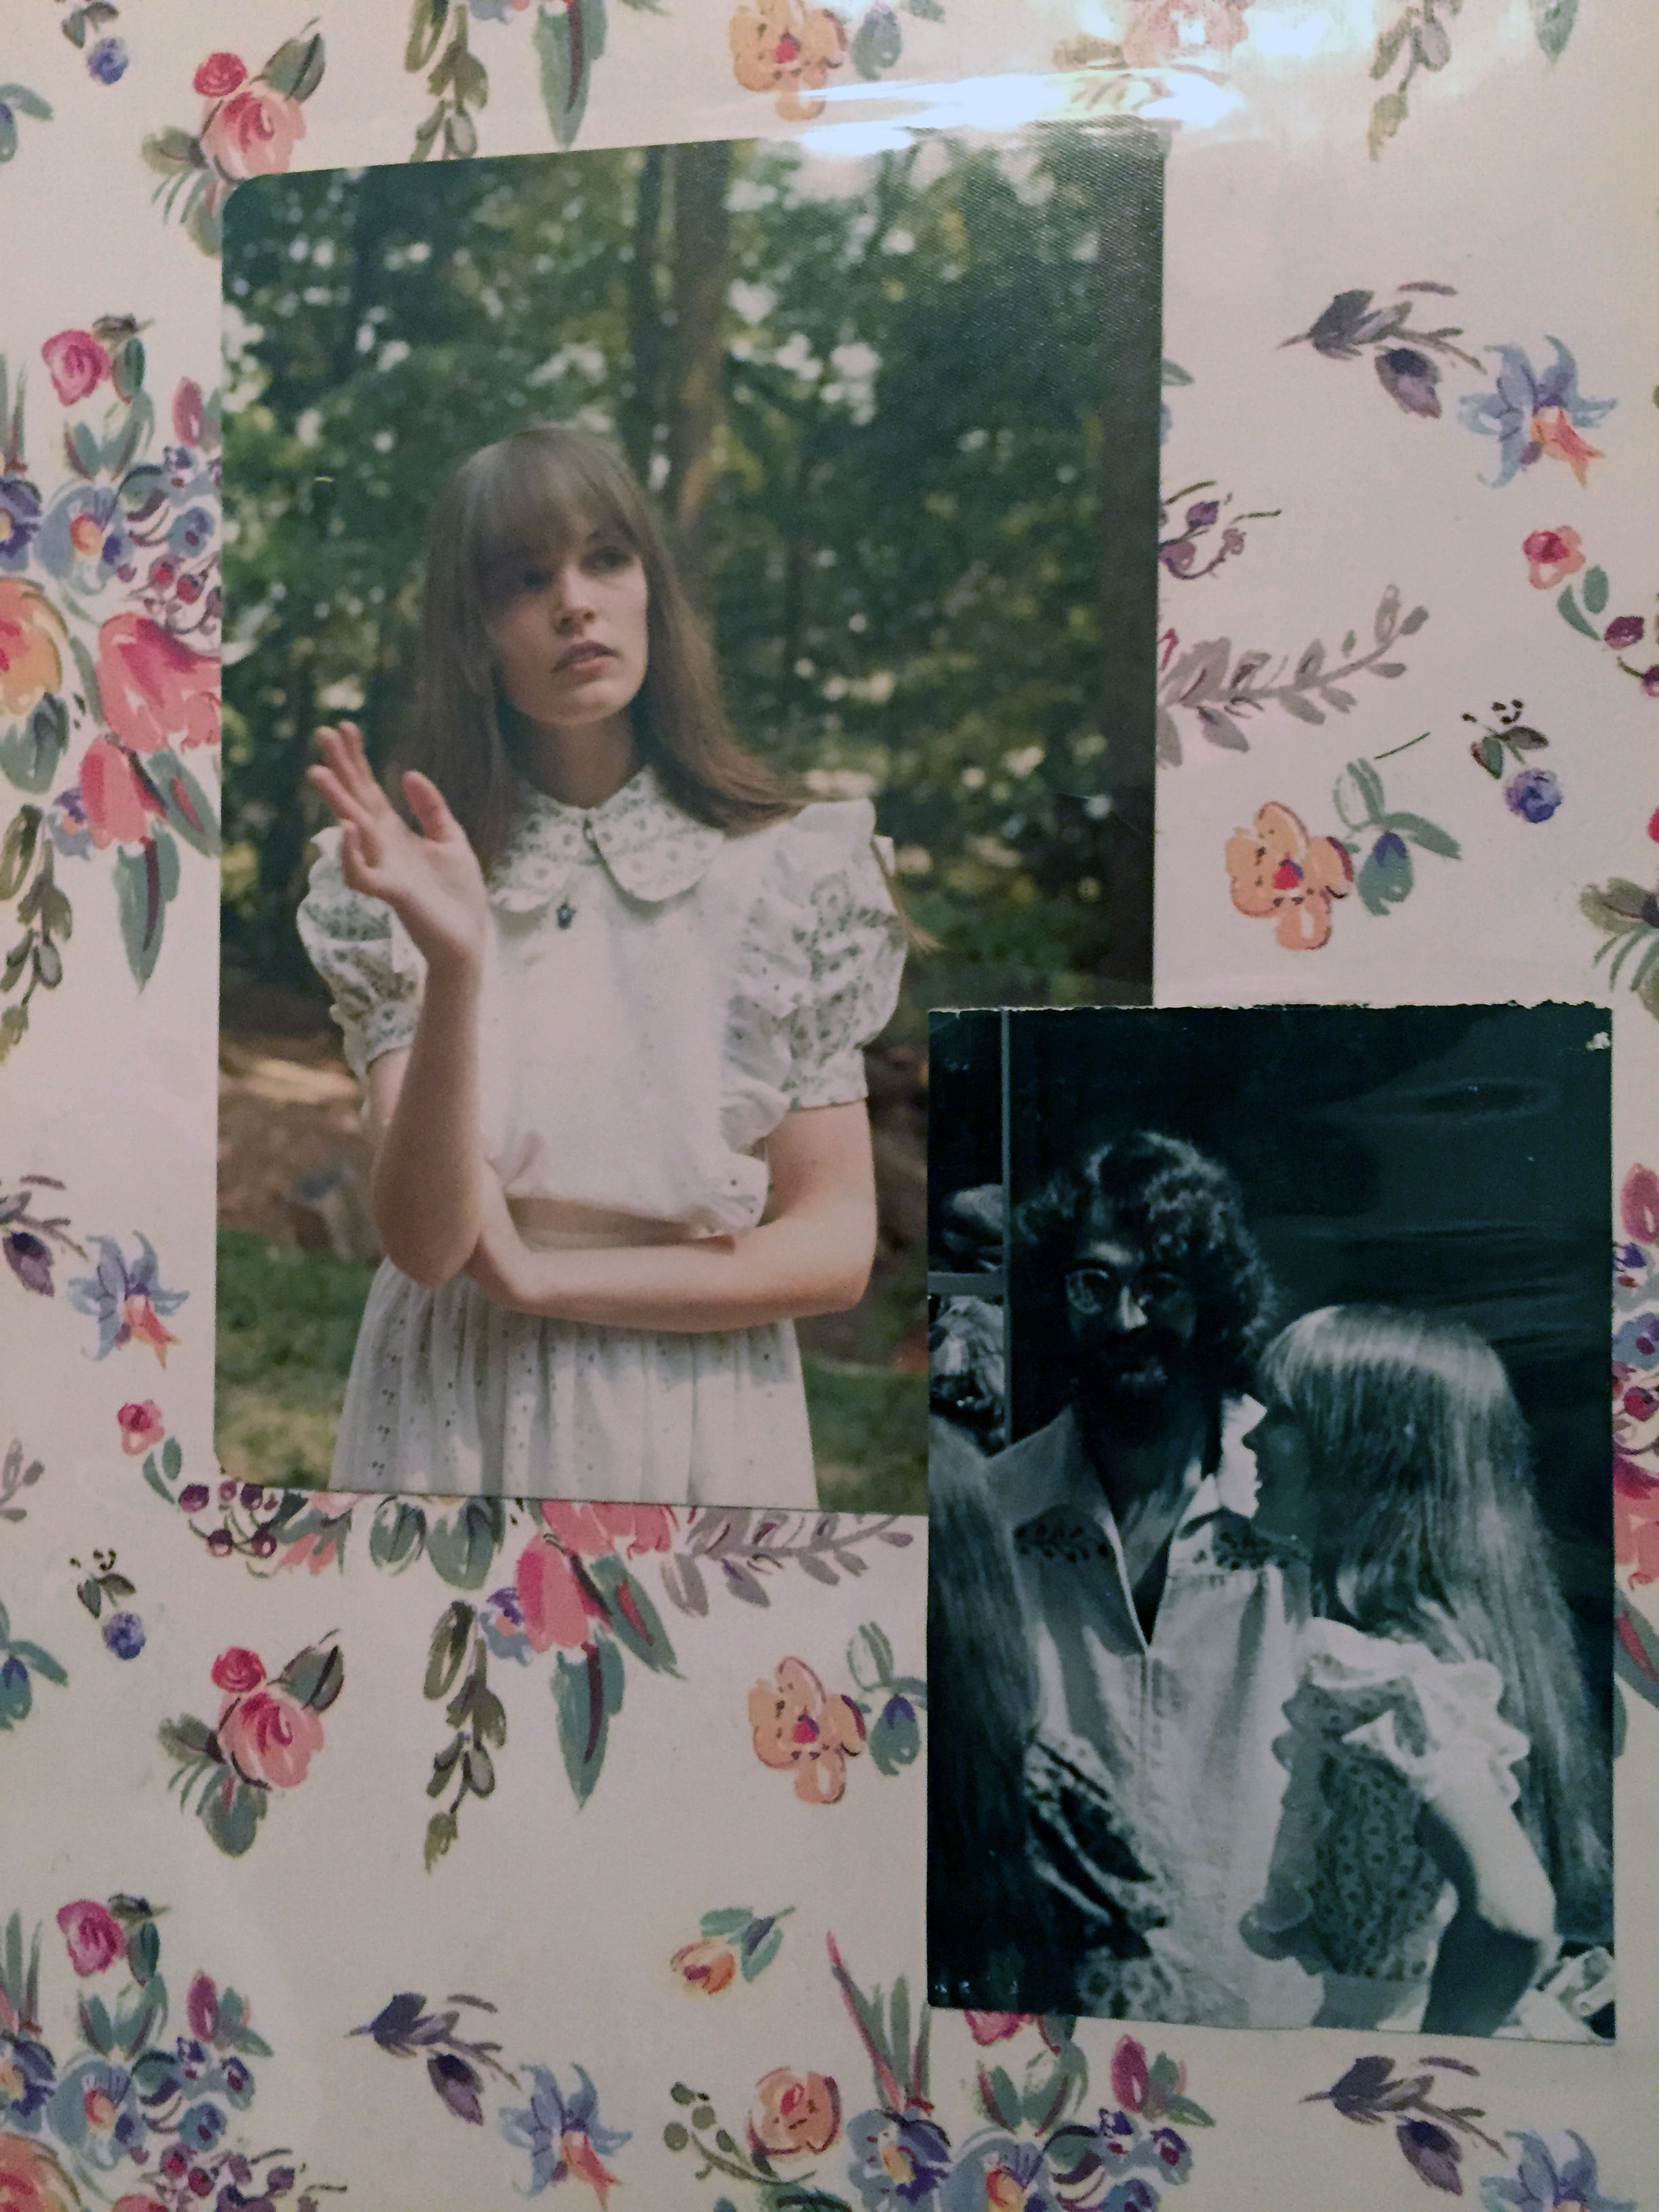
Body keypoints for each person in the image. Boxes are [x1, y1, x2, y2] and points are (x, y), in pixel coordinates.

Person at [295, 424, 906, 1502]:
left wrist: (544, 1280)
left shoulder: (790, 872)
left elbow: (833, 1243)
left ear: (653, 594)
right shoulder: (408, 880)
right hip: (456, 1404)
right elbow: (432, 1246)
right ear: (473, 634)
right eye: (526, 580)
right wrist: (456, 967)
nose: (574, 602)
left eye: (606, 558)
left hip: (700, 1403)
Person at [970, 1130, 1319, 2026]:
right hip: (1068, 2011)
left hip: (1277, 2010)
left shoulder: (1302, 1509)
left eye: (1158, 1284)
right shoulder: (991, 1513)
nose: (1125, 1319)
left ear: (1213, 1294)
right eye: (1095, 1284)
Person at [1241, 1304, 1612, 2036]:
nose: (1254, 1436)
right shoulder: (1442, 1656)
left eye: (1284, 1415)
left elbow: (1514, 1915)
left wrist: (1438, 2064)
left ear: (1366, 1453)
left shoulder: (1384, 1678)